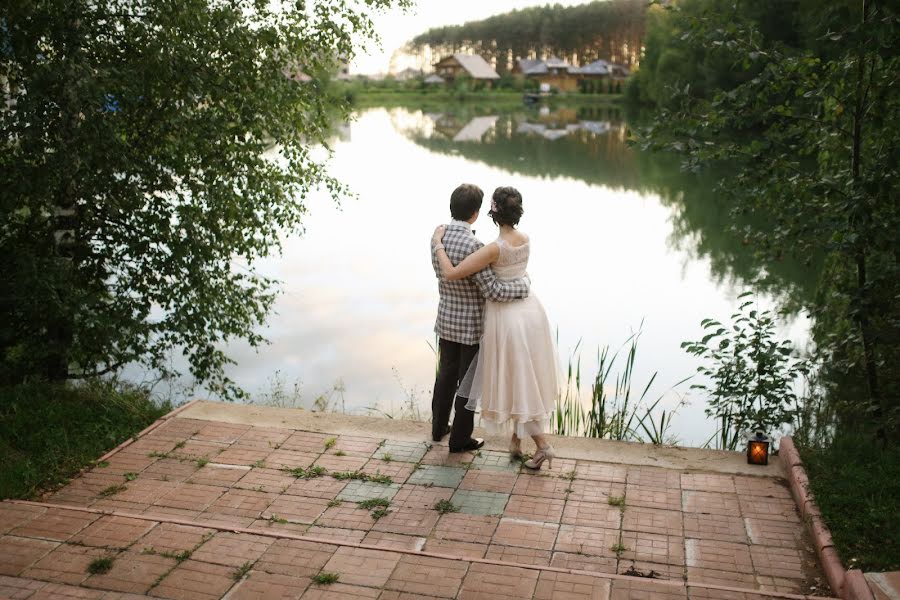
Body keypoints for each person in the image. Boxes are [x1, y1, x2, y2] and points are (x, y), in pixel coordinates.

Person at [432, 186, 559, 469]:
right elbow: (521, 274)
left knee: (517, 382)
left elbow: (453, 274)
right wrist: (525, 285)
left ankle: (543, 446)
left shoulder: (492, 249)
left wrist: (438, 244)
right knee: (526, 377)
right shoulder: (525, 239)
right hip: (532, 314)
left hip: (507, 320)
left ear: (492, 212)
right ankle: (516, 441)